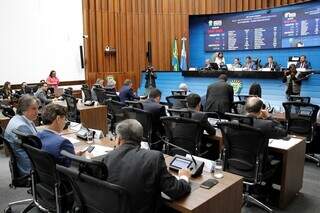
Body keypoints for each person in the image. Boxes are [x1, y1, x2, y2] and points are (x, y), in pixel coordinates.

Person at [102, 119, 191, 213]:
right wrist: (184, 177)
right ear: (141, 138)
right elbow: (176, 191)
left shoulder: (107, 158)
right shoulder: (154, 158)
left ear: (119, 139)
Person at [4, 95, 39, 176]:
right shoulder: (22, 127)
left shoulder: (15, 119)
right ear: (24, 109)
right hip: (29, 168)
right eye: (33, 109)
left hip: (21, 163)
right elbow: (38, 150)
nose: (37, 112)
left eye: (37, 108)